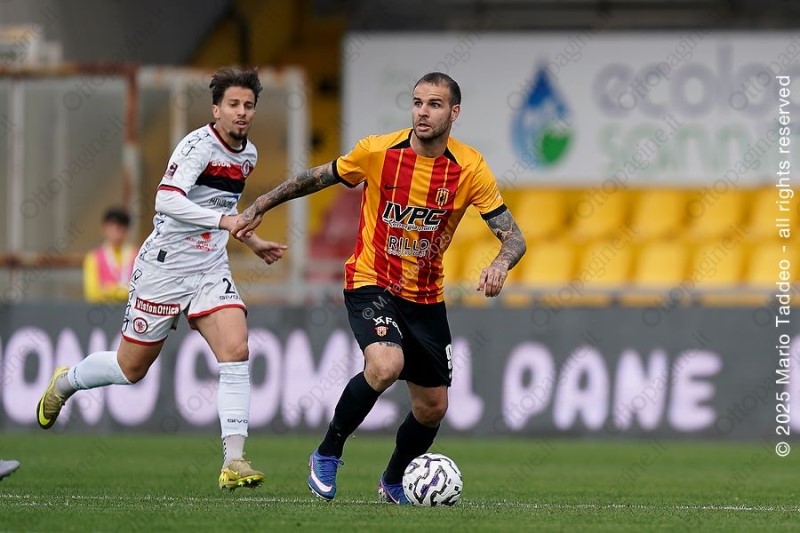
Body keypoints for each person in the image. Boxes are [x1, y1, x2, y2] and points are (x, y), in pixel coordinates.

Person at [232, 72, 527, 504]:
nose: (422, 112)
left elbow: (514, 237)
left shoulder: (469, 168)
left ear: (454, 112)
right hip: (372, 281)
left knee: (432, 408)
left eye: (434, 104)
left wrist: (500, 263)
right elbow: (318, 177)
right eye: (417, 102)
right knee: (386, 364)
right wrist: (262, 203)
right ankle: (327, 452)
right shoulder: (378, 151)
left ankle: (392, 481)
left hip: (426, 297)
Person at [36, 66, 287, 491]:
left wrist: (252, 240)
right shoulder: (197, 146)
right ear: (216, 109)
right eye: (233, 104)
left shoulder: (249, 155)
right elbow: (166, 200)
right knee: (130, 368)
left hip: (209, 267)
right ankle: (66, 381)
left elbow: (222, 209)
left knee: (237, 349)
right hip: (165, 266)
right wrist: (225, 222)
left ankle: (234, 460)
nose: (241, 112)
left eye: (248, 105)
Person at [83, 207, 138, 303]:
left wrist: (107, 289)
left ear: (127, 230)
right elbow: (92, 294)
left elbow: (141, 291)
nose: (116, 233)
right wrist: (125, 290)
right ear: (104, 228)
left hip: (131, 311)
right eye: (112, 227)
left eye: (120, 228)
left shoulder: (137, 255)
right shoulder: (93, 257)